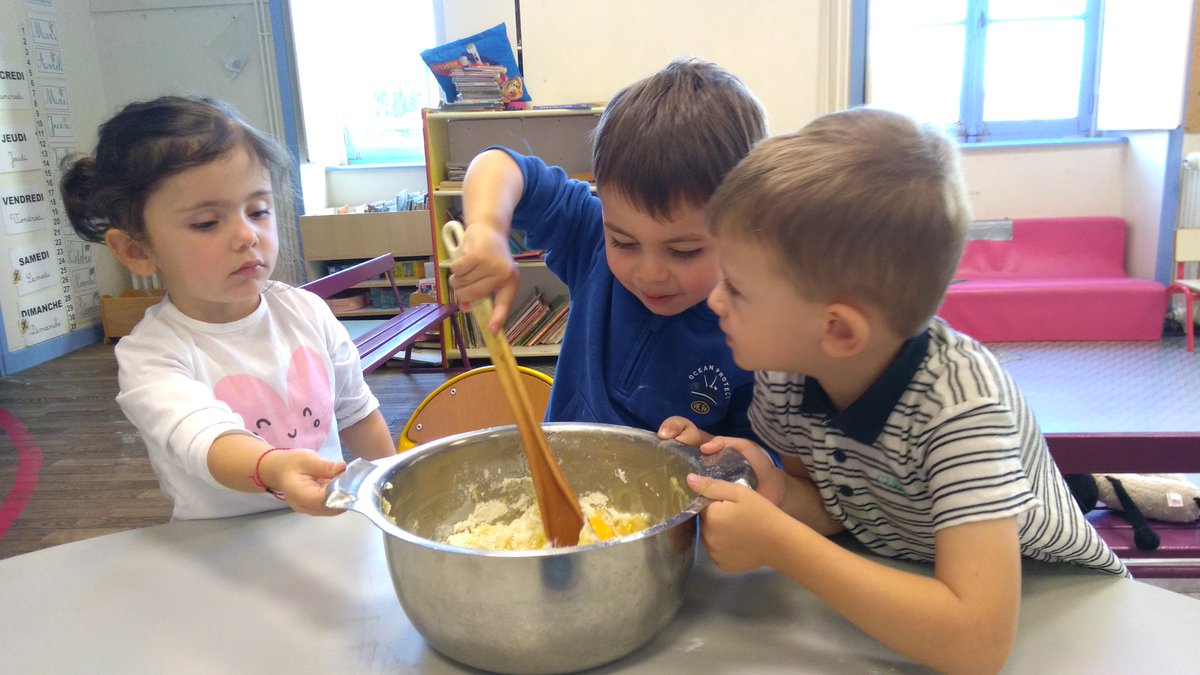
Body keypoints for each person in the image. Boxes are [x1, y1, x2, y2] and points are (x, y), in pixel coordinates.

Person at [668, 108, 1126, 674]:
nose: (714, 302)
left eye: (735, 288)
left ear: (838, 329)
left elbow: (977, 644)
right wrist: (772, 492)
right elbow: (837, 511)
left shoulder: (962, 405)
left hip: (1057, 605)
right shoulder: (787, 372)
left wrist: (780, 542)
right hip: (909, 578)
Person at [60, 95, 395, 520]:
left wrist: (394, 488)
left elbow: (358, 414)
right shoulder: (153, 354)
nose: (246, 235)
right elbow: (207, 438)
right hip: (219, 553)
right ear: (136, 249)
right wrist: (273, 467)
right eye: (206, 223)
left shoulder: (307, 312)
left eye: (258, 210)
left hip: (317, 531)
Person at [448, 58, 766, 438]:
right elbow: (496, 165)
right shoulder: (589, 238)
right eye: (624, 242)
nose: (649, 273)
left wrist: (711, 448)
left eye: (683, 251)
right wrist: (487, 230)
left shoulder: (762, 330)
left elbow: (758, 459)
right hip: (564, 476)